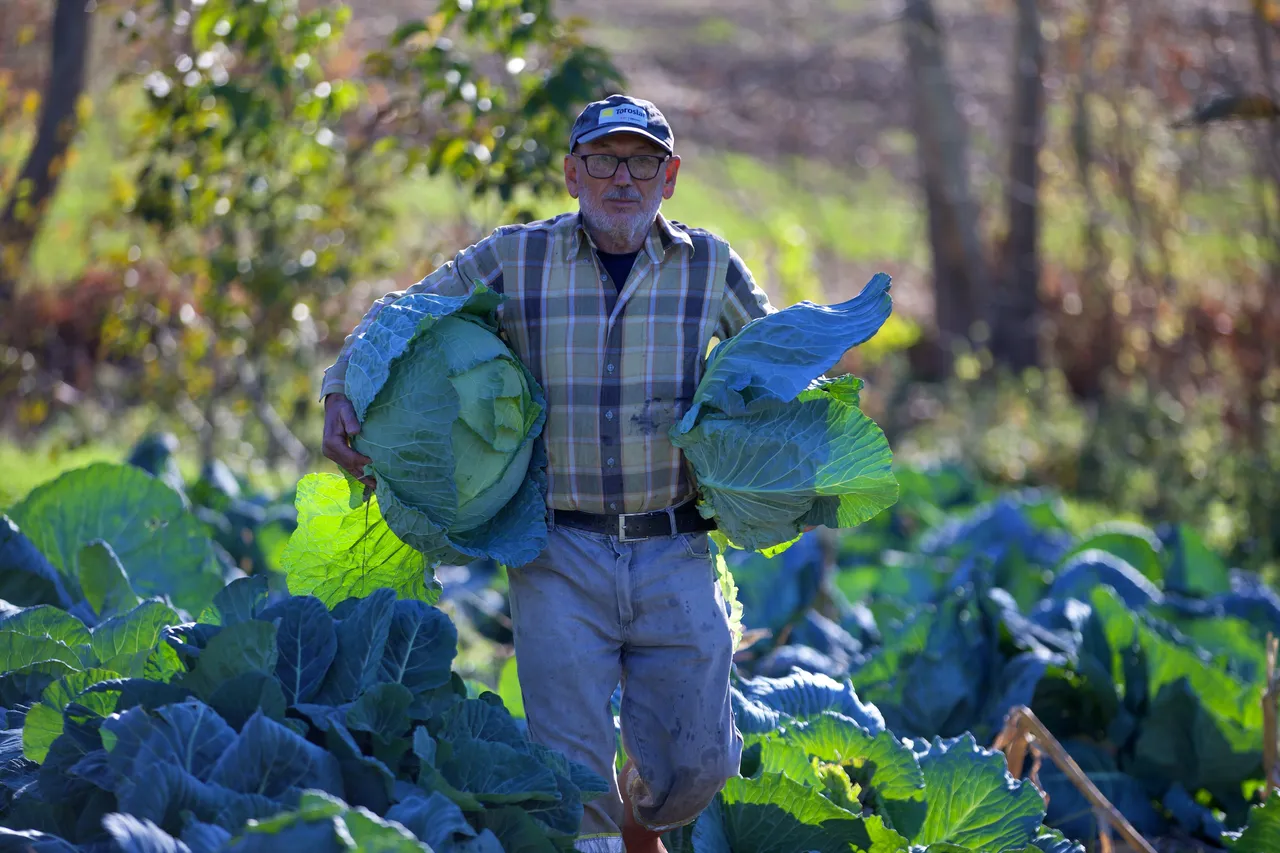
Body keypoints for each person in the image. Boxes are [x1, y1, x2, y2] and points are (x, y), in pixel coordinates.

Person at [320, 94, 776, 853]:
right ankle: (606, 834)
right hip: (557, 551)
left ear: (671, 177)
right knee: (570, 777)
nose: (622, 178)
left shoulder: (711, 267)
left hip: (674, 544)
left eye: (642, 161)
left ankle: (644, 822)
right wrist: (341, 385)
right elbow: (405, 311)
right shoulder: (516, 256)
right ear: (572, 173)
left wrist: (790, 450)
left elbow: (773, 356)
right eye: (603, 160)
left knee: (698, 765)